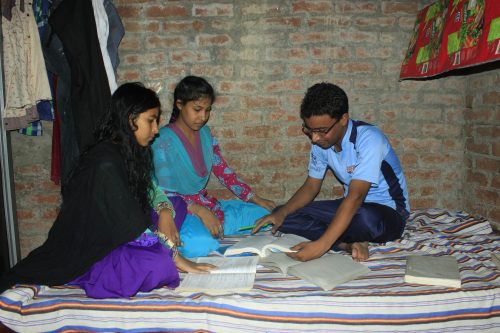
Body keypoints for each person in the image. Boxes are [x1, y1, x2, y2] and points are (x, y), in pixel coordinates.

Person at [0, 82, 213, 298]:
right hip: (95, 245)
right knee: (158, 265)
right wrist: (174, 256)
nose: (156, 129)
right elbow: (127, 222)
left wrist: (165, 212)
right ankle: (91, 274)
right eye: (151, 121)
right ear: (131, 119)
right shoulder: (104, 162)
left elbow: (148, 191)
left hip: (121, 226)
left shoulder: (132, 152)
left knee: (175, 206)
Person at [253, 83, 409, 262]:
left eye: (321, 131)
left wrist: (320, 247)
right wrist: (282, 213)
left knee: (365, 219)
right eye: (309, 130)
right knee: (283, 216)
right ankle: (346, 244)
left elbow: (356, 196)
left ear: (343, 119)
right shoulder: (321, 143)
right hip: (350, 206)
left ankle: (336, 237)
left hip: (387, 213)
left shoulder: (369, 139)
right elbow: (311, 186)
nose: (315, 138)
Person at [152, 76, 276, 257]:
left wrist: (257, 199)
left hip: (206, 204)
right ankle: (209, 237)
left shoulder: (206, 135)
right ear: (179, 105)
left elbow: (225, 173)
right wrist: (200, 211)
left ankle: (215, 228)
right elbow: (162, 193)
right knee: (198, 244)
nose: (203, 117)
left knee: (266, 216)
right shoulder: (162, 140)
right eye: (197, 109)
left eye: (207, 110)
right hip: (179, 210)